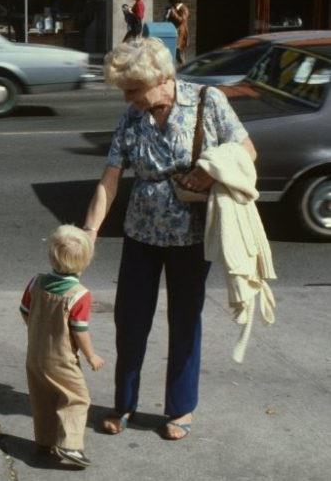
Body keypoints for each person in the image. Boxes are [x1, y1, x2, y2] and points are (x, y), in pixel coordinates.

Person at [83, 37, 255, 441]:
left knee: (184, 321)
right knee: (131, 320)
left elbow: (246, 150)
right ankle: (124, 403)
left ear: (161, 78)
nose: (127, 98)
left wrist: (209, 173)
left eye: (133, 90)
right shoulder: (131, 117)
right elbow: (110, 179)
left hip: (192, 235)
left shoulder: (206, 102)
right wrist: (90, 231)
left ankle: (180, 408)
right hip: (140, 233)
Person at [21, 225, 104, 468]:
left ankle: (44, 442)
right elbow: (79, 331)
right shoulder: (79, 294)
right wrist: (91, 356)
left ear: (51, 256)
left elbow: (24, 311)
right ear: (86, 262)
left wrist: (38, 329)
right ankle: (70, 446)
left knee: (42, 397)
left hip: (34, 354)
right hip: (61, 358)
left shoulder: (36, 282)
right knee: (76, 398)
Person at [165, 0, 191, 64]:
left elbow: (182, 20)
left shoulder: (184, 9)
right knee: (176, 53)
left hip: (181, 34)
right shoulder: (175, 9)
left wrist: (173, 13)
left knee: (180, 53)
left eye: (172, 3)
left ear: (175, 2)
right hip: (175, 32)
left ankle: (183, 69)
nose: (172, 5)